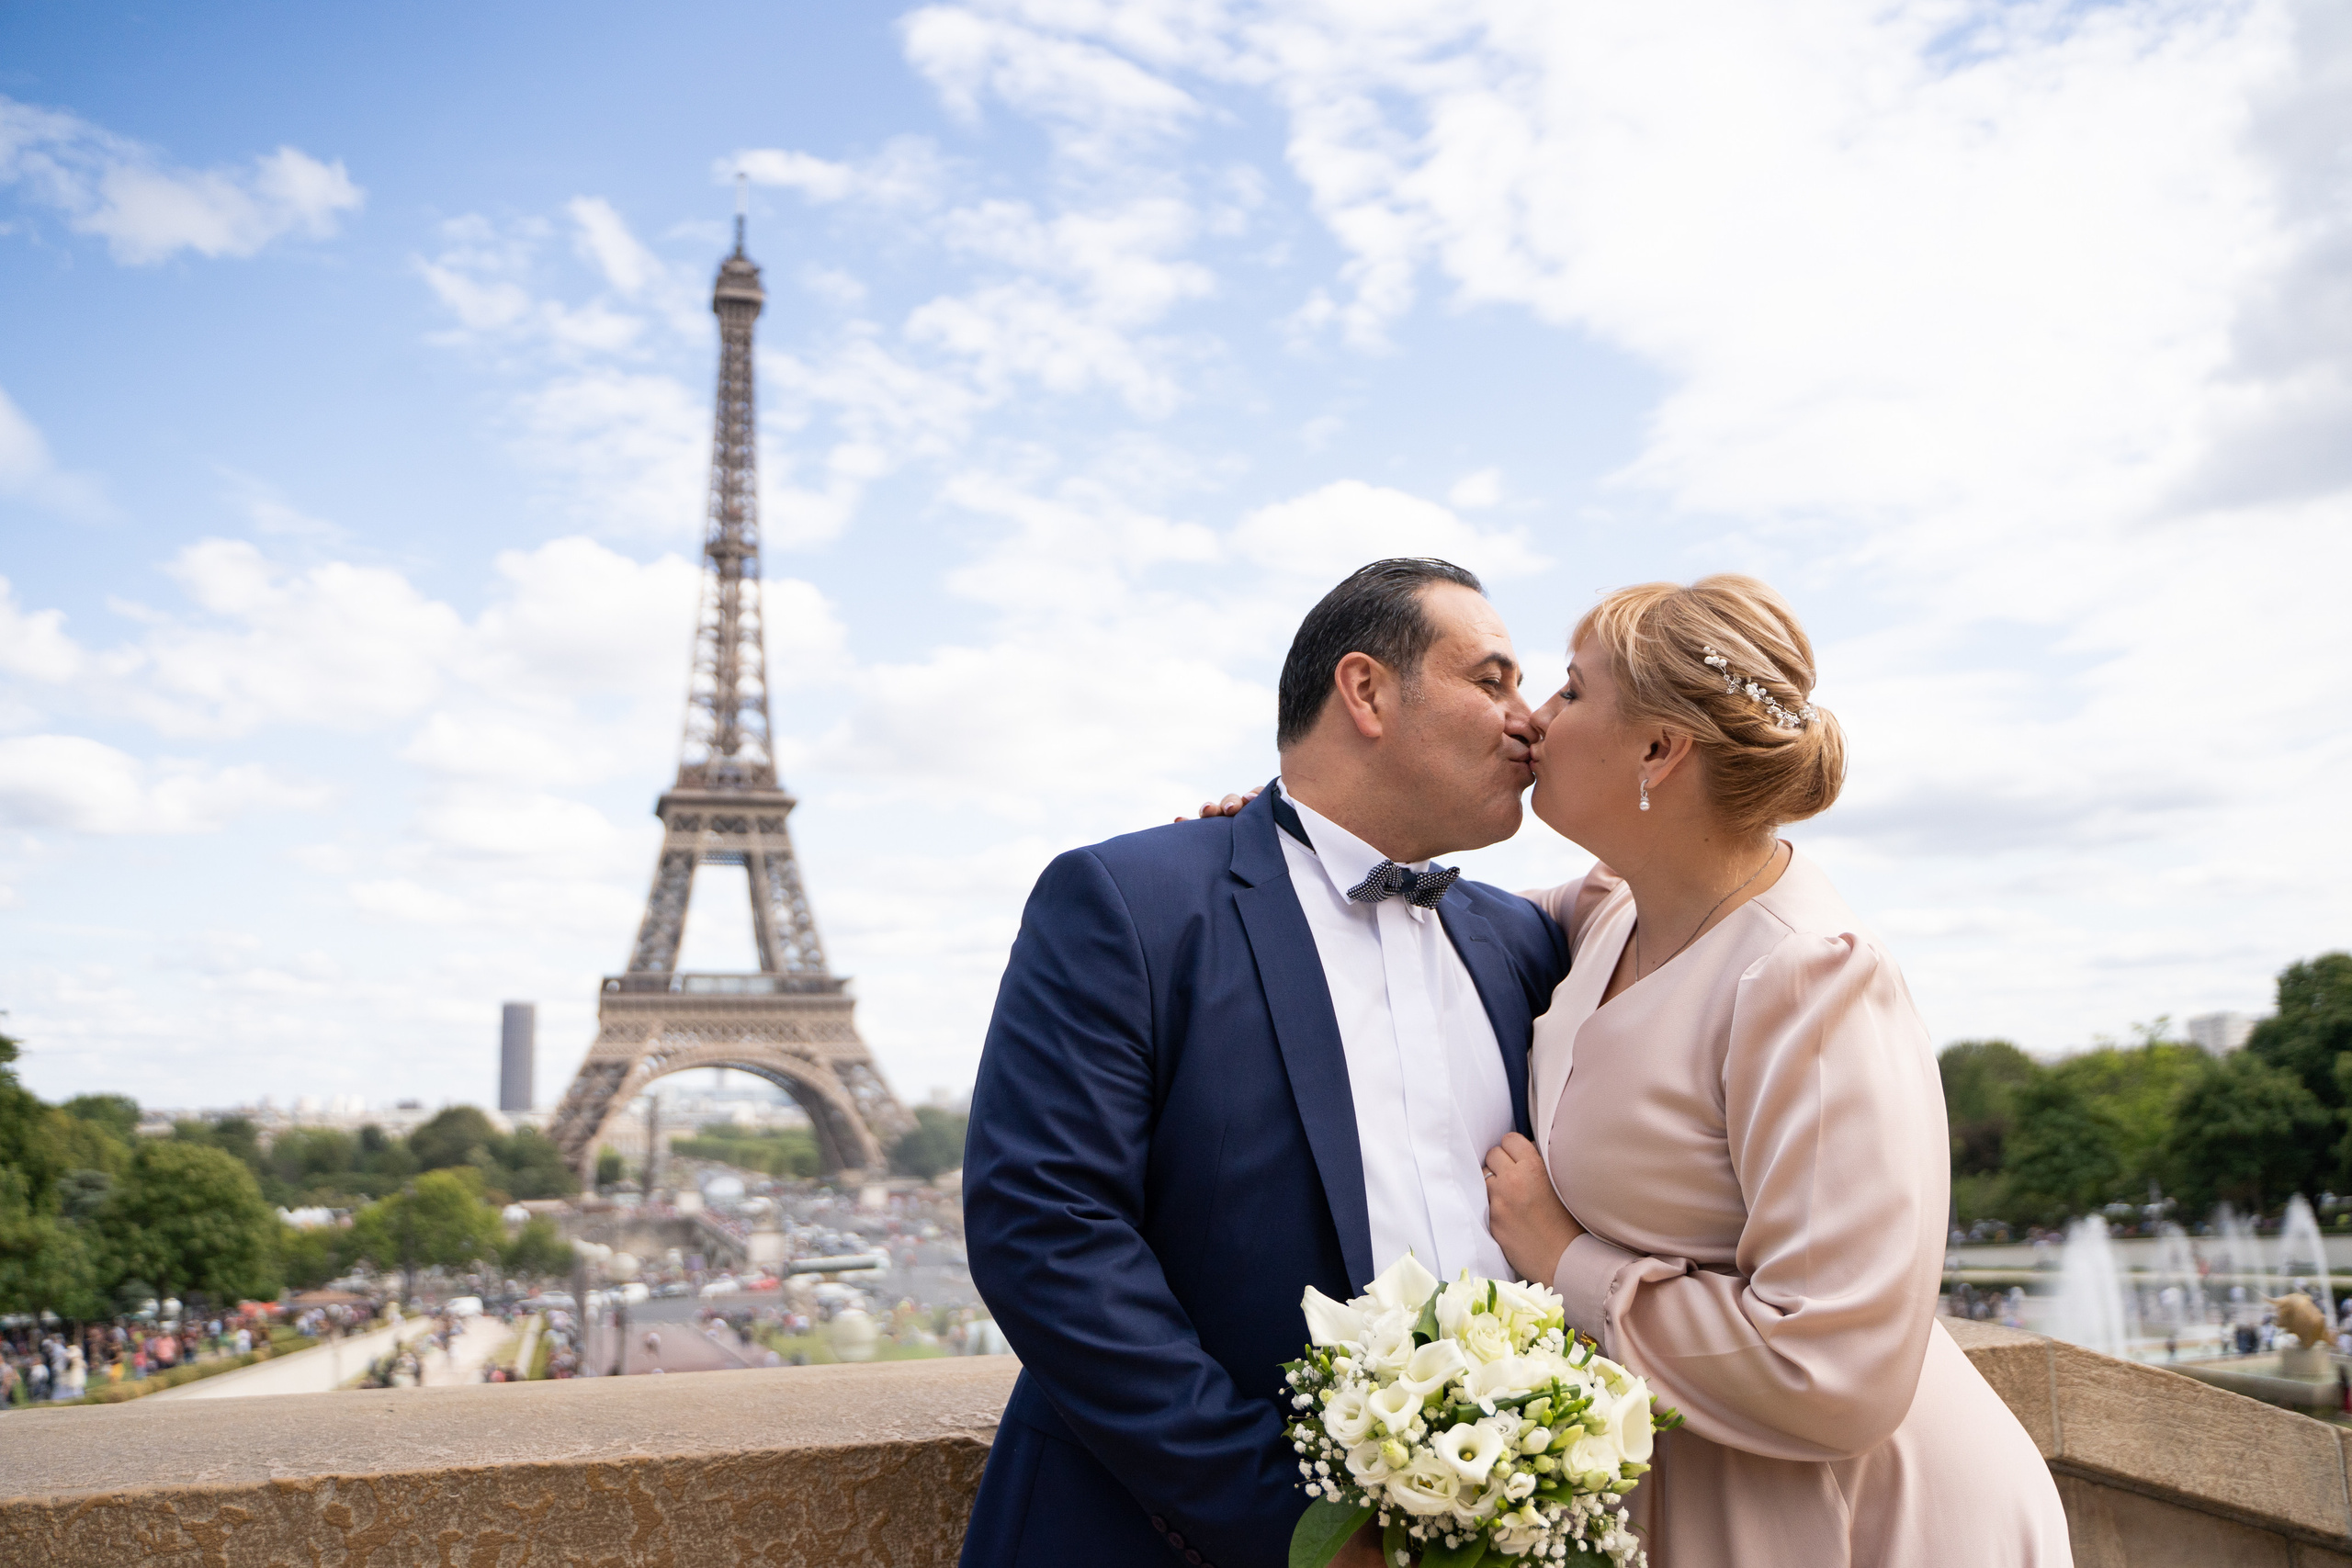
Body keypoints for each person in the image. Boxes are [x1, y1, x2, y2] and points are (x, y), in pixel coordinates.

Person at [960, 558, 1573, 1568]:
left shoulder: (1527, 941)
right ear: (1366, 690)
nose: (1530, 721)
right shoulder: (1133, 900)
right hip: (1168, 1538)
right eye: (1492, 680)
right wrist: (1297, 1529)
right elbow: (1047, 1233)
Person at [1473, 576, 2069, 1564]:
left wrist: (1561, 1257)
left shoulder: (1808, 977)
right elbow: (1441, 918)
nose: (1535, 717)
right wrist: (1269, 845)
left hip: (1856, 1520)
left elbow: (1832, 1366)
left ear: (1660, 750)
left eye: (1572, 691)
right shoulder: (1612, 907)